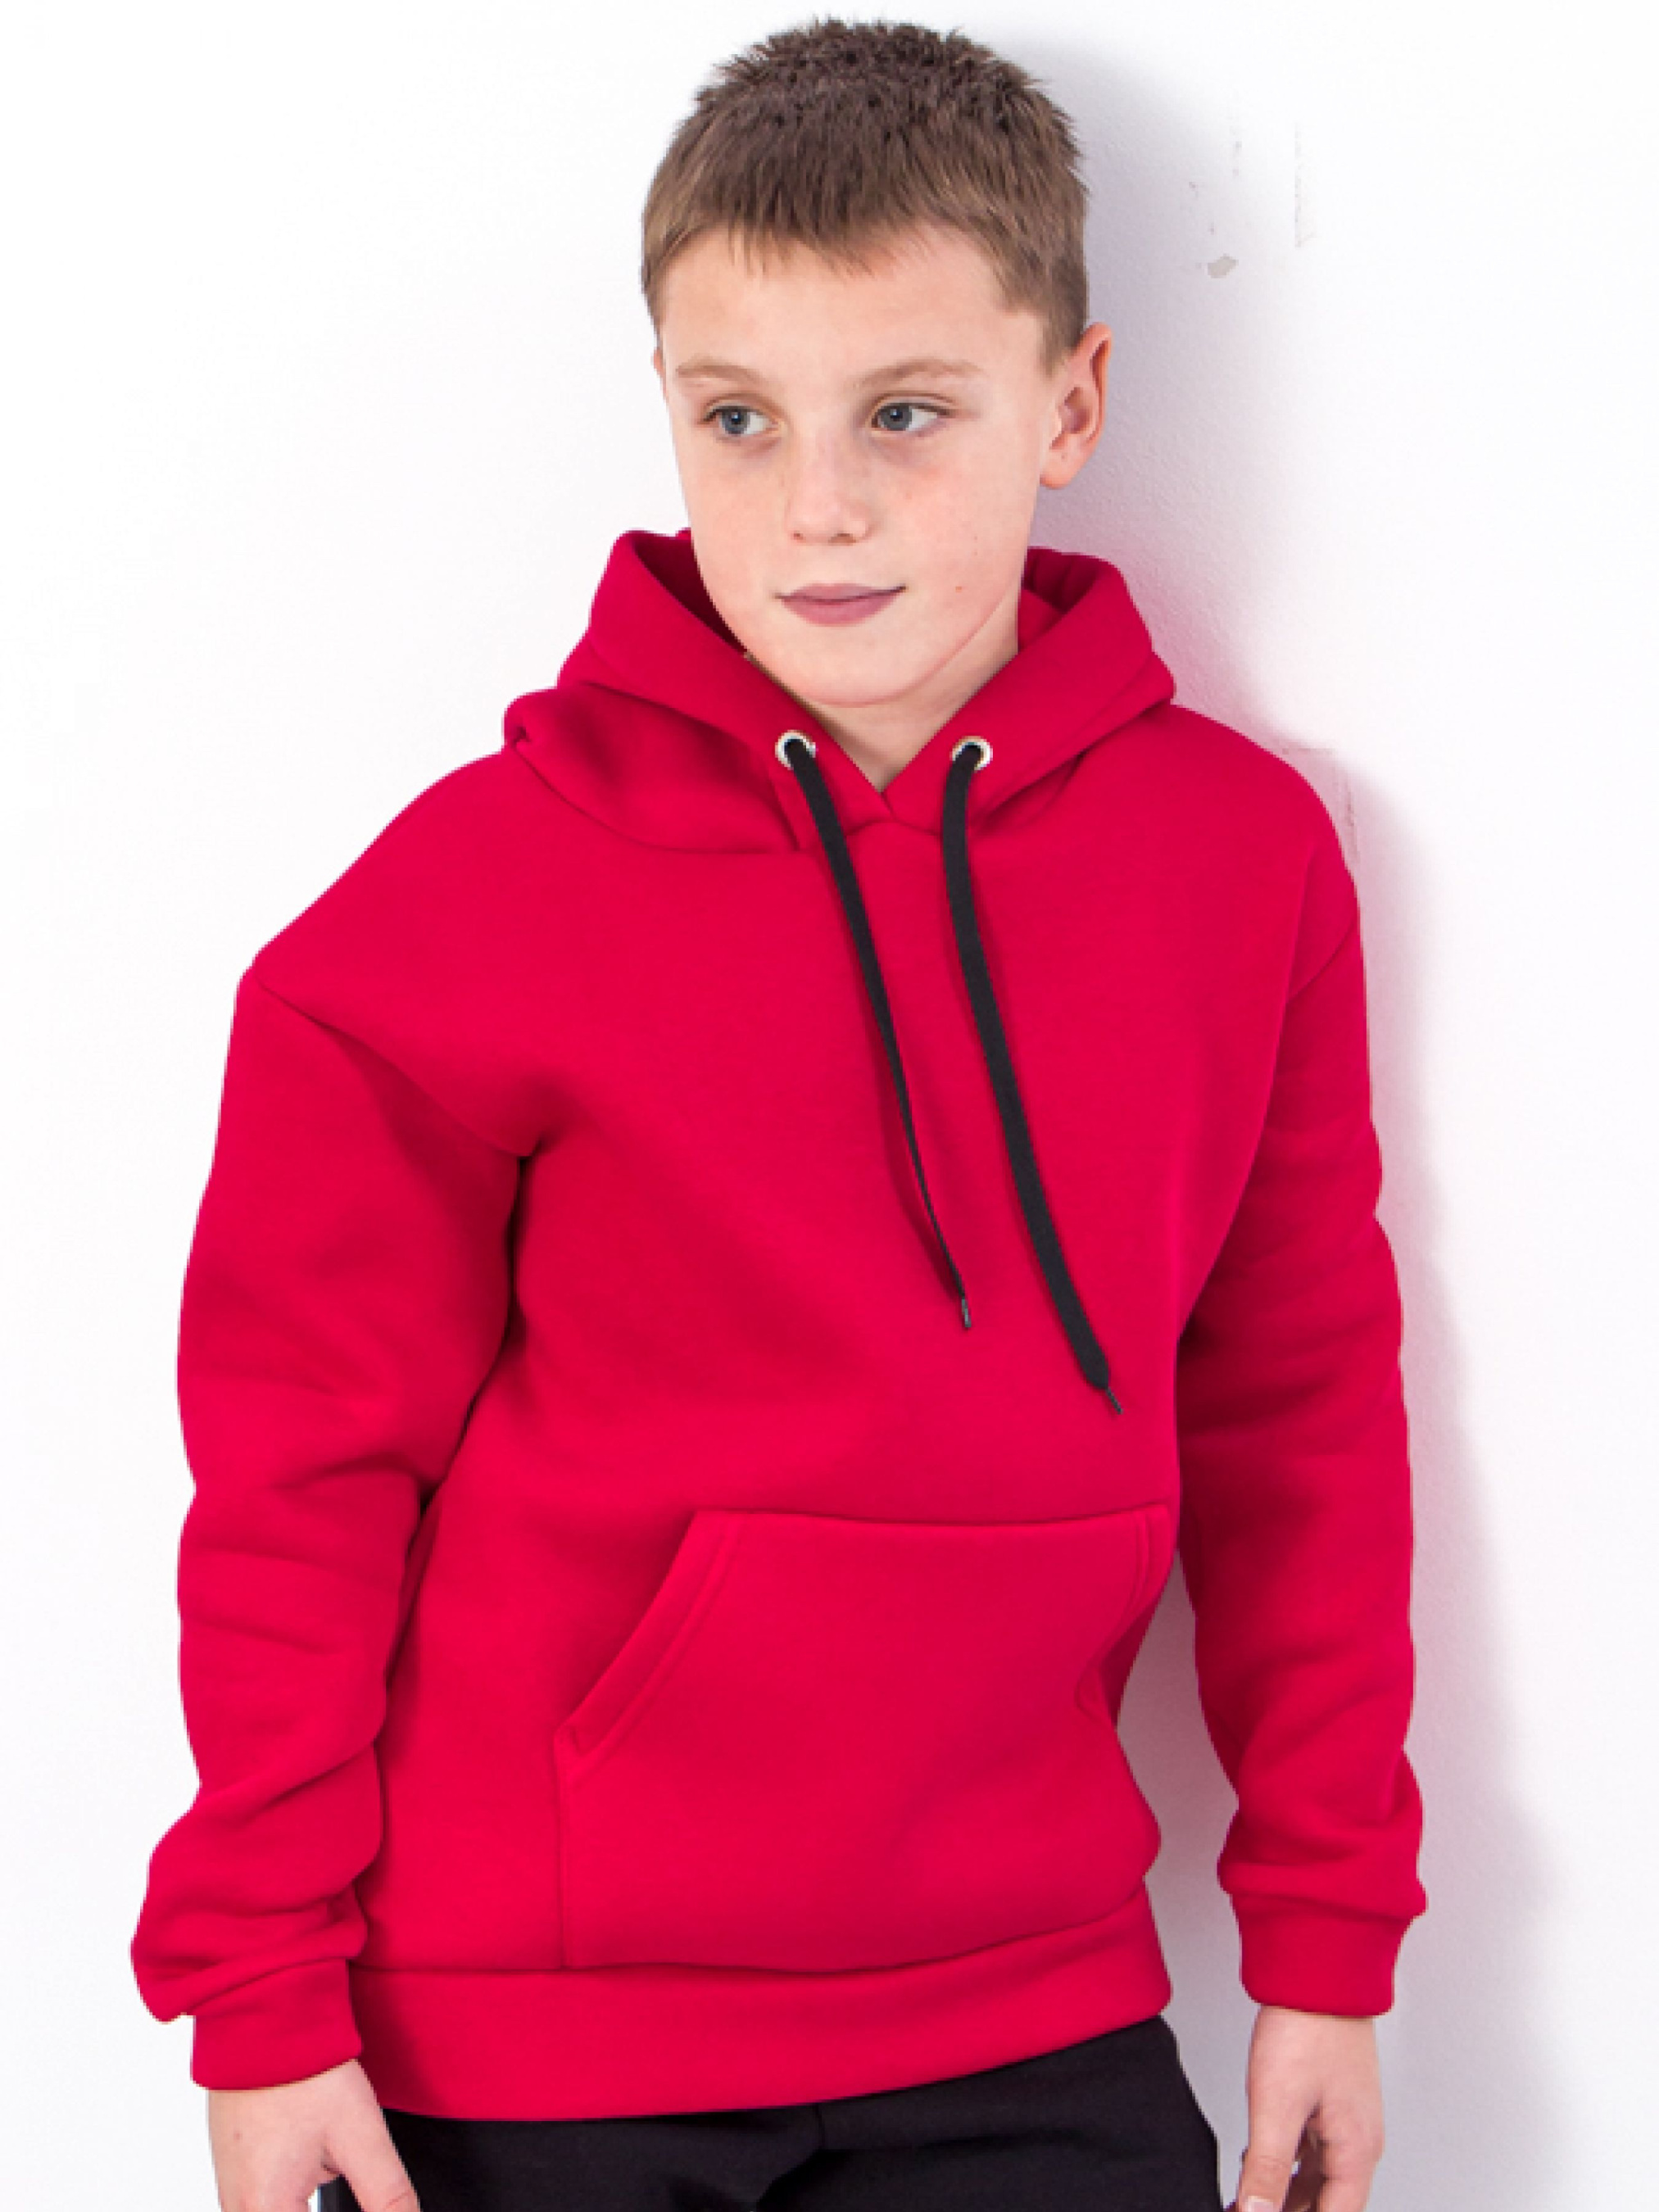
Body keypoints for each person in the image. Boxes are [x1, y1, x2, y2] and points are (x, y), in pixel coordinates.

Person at [131, 18, 1428, 2212]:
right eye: (737, 418)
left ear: (1071, 404)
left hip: (1031, 2003)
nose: (815, 504)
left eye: (904, 412)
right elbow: (299, 1467)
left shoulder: (1241, 863)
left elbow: (1295, 1408)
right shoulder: (470, 897)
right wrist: (259, 1991)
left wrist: (1326, 1937)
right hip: (530, 2024)